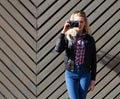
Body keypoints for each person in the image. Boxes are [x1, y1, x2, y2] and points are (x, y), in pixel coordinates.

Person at [55, 11, 97, 99]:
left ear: (85, 23)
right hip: (71, 73)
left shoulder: (90, 39)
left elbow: (93, 60)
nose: (79, 24)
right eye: (77, 22)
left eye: (82, 22)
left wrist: (93, 79)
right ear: (72, 22)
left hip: (85, 73)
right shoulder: (68, 36)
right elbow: (58, 49)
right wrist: (63, 31)